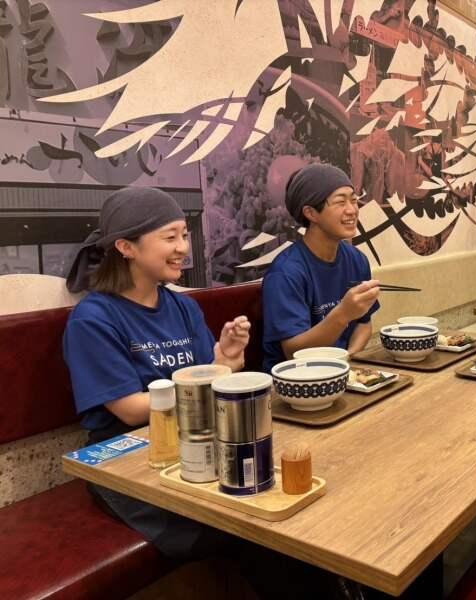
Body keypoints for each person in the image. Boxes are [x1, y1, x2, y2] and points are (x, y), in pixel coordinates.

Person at [63, 187, 339, 598]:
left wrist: (225, 359)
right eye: (169, 237)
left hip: (200, 439)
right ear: (126, 247)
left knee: (297, 506)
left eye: (184, 236)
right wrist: (209, 377)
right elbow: (133, 410)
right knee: (254, 529)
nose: (182, 249)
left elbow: (206, 378)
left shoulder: (183, 307)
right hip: (127, 459)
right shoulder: (94, 319)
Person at [262, 163, 380, 371]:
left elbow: (364, 323)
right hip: (293, 382)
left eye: (354, 200)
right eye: (340, 202)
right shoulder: (286, 273)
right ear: (311, 213)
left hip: (340, 374)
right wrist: (343, 314)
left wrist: (348, 360)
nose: (352, 210)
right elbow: (293, 352)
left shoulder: (357, 260)